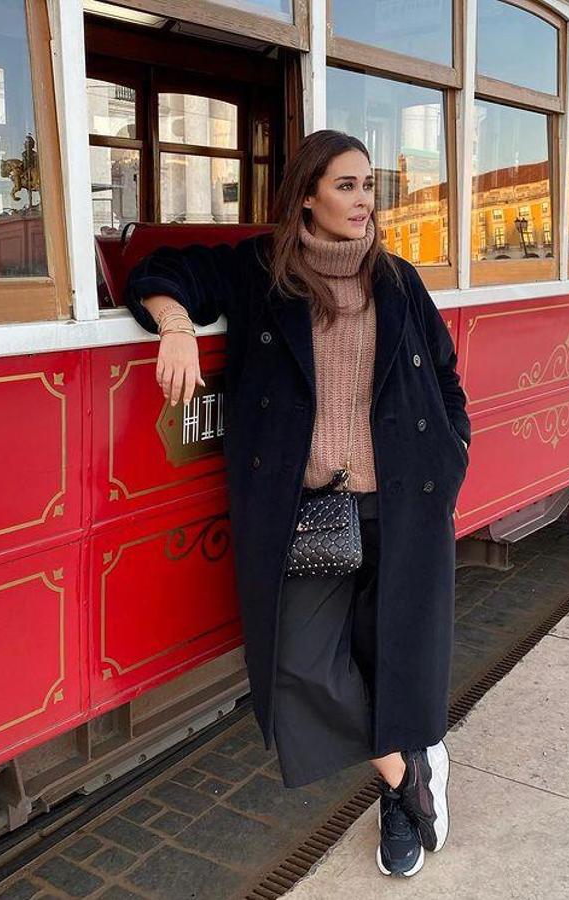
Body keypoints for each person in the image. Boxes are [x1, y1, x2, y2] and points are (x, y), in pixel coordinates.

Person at [124, 130, 470, 878]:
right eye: (346, 185)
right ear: (307, 193)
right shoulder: (260, 270)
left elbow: (446, 378)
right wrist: (178, 328)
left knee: (395, 661)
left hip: (404, 506)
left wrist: (452, 457)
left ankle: (399, 814)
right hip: (309, 512)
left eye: (369, 185)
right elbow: (158, 270)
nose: (363, 201)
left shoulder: (400, 281)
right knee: (301, 666)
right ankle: (407, 770)